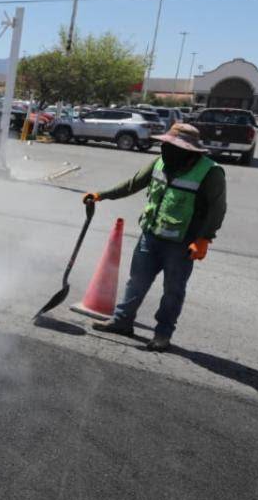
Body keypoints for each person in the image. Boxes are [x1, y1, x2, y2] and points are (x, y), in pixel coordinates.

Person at [83, 123, 226, 352]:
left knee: (173, 290)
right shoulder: (160, 161)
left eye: (171, 145)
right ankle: (122, 322)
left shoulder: (210, 172)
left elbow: (216, 209)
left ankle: (162, 334)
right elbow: (133, 184)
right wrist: (102, 195)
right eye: (166, 143)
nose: (165, 148)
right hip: (151, 234)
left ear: (188, 149)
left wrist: (204, 239)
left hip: (182, 243)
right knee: (136, 281)